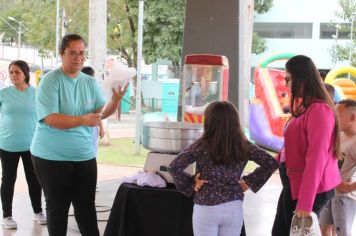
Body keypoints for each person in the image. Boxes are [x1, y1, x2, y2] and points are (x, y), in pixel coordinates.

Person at [30, 34, 127, 236]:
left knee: (86, 206)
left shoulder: (89, 82)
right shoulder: (50, 81)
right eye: (72, 53)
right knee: (58, 207)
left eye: (81, 53)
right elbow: (51, 118)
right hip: (50, 156)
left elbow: (101, 113)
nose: (78, 57)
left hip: (84, 155)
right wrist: (83, 120)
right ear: (61, 54)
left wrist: (115, 101)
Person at [169, 101, 279, 236]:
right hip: (233, 207)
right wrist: (250, 181)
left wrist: (192, 184)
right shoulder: (244, 145)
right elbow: (271, 163)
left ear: (209, 121)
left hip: (206, 207)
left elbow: (174, 167)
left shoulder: (200, 145)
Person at [271, 55, 341, 236]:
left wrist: (305, 204)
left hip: (308, 188)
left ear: (301, 78)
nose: (286, 84)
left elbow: (317, 158)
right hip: (296, 184)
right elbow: (288, 151)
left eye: (288, 79)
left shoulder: (319, 110)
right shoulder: (307, 108)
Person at [0, 60, 46, 229]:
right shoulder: (3, 93)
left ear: (26, 74)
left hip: (32, 144)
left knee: (34, 180)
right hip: (7, 144)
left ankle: (38, 212)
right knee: (8, 180)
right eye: (11, 72)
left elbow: (44, 117)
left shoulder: (36, 93)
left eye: (17, 72)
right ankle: (7, 216)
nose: (13, 75)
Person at [319, 99, 356, 236]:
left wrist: (349, 188)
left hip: (344, 198)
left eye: (338, 115)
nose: (334, 118)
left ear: (352, 117)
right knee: (324, 229)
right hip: (330, 192)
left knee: (342, 233)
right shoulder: (339, 136)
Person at [81, 66, 105, 156]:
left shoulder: (94, 91)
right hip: (83, 128)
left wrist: (101, 128)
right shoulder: (78, 91)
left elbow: (97, 113)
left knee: (92, 152)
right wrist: (101, 129)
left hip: (92, 127)